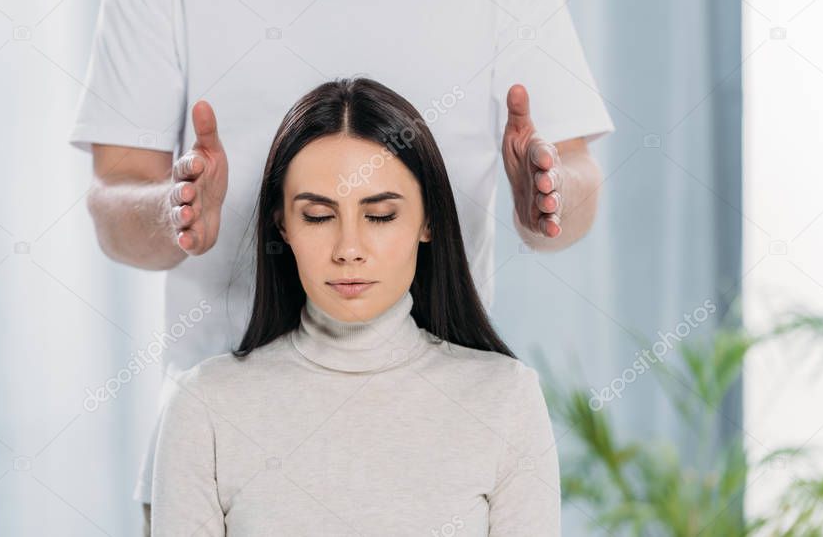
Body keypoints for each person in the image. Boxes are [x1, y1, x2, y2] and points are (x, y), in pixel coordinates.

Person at [68, 0, 614, 531]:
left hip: (441, 451)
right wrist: (171, 212)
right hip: (227, 461)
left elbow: (574, 179)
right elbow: (114, 197)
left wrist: (547, 199)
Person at [150, 77, 561, 535]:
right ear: (282, 225)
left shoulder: (505, 398)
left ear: (428, 221)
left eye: (381, 216)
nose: (349, 249)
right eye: (318, 216)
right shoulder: (205, 406)